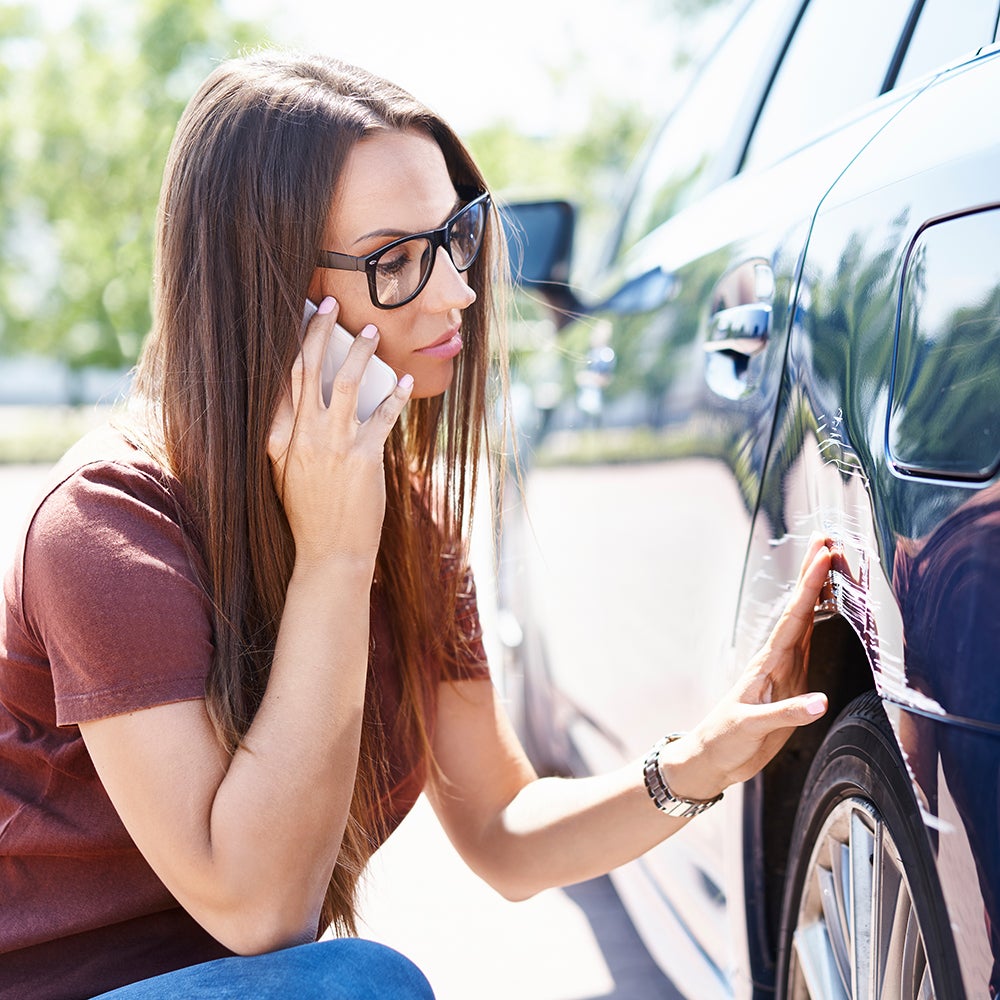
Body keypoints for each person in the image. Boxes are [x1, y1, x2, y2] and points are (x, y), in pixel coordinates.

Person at [0, 50, 831, 999]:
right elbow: (260, 912)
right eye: (395, 261)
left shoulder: (404, 516)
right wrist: (334, 556)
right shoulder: (108, 527)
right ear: (264, 287)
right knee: (358, 981)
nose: (457, 294)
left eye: (455, 236)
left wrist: (694, 764)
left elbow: (505, 833)